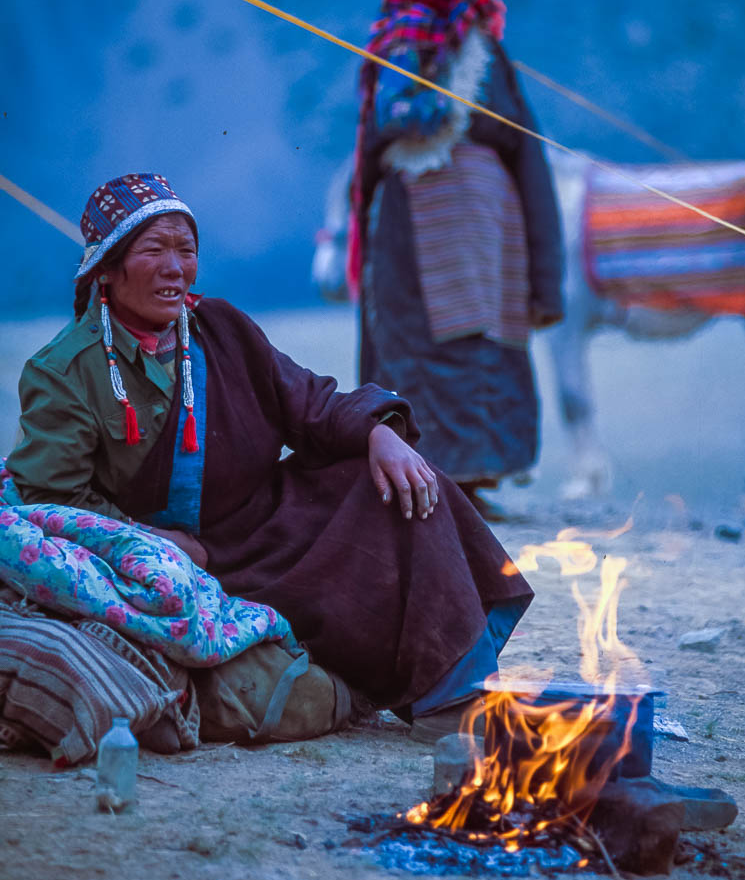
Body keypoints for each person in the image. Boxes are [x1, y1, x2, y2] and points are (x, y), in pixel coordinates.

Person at [5, 173, 533, 737]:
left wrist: (380, 432)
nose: (175, 267)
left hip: (264, 526)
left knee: (401, 488)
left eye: (186, 250)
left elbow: (309, 403)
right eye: (154, 249)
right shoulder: (64, 370)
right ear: (107, 269)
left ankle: (454, 692)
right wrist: (147, 540)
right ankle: (396, 684)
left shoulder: (221, 328)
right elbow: (50, 499)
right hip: (177, 556)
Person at [348, 0, 564, 518]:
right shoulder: (402, 38)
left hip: (497, 233)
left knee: (486, 340)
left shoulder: (489, 50)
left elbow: (528, 150)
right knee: (423, 339)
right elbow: (387, 124)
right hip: (416, 218)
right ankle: (428, 477)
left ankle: (478, 476)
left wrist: (545, 277)